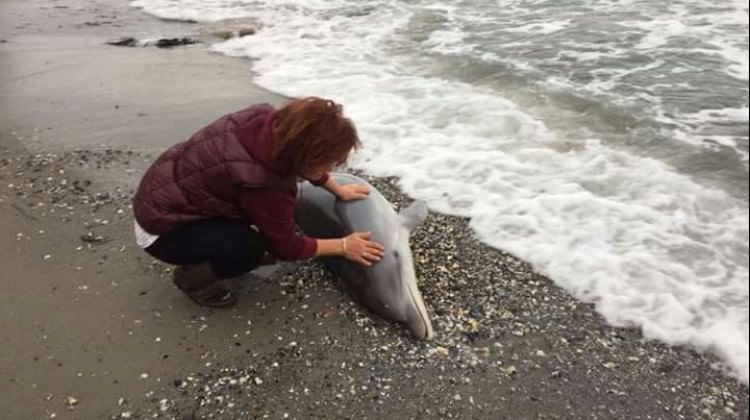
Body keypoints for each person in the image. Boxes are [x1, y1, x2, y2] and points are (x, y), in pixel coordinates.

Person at [132, 97, 385, 307]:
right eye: (328, 162)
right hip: (161, 231)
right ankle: (193, 281)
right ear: (303, 157)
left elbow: (303, 160)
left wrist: (335, 188)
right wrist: (343, 245)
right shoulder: (264, 182)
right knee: (252, 250)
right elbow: (286, 248)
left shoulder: (265, 120)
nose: (331, 167)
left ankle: (215, 245)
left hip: (162, 193)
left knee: (266, 231)